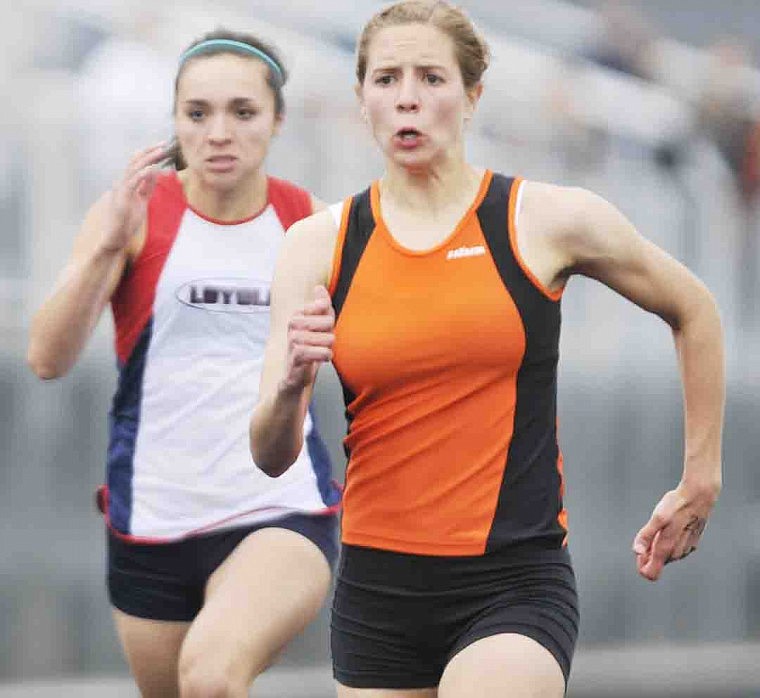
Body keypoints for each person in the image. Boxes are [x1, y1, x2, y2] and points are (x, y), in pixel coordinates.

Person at [250, 1, 725, 696]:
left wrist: (700, 479)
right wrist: (292, 381)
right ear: (362, 102)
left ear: (472, 96)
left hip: (512, 586)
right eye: (386, 80)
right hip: (378, 596)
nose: (407, 97)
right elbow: (270, 456)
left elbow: (695, 308)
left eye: (431, 78)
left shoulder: (545, 220)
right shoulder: (316, 245)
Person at [27, 28, 341, 698]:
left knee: (212, 675)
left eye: (242, 112)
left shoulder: (312, 224)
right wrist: (101, 252)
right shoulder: (131, 217)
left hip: (278, 509)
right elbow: (47, 358)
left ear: (277, 121)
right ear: (175, 121)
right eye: (198, 114)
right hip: (152, 519)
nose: (219, 132)